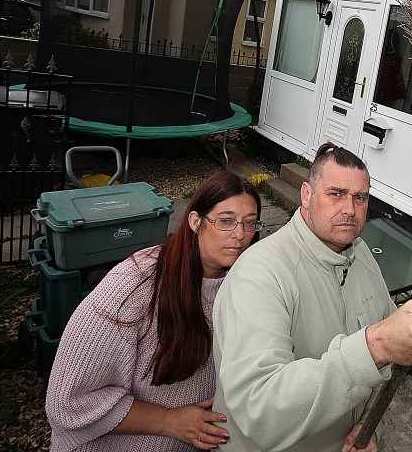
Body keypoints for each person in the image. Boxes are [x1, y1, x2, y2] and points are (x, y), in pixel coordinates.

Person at [213, 143, 412, 452]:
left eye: (360, 197)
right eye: (336, 193)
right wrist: (376, 346)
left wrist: (371, 425)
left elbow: (386, 360)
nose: (350, 209)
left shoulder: (361, 254)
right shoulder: (258, 275)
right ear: (307, 195)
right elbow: (260, 412)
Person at [46, 171, 263, 451]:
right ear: (196, 222)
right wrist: (168, 421)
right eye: (225, 221)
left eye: (250, 223)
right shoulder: (136, 283)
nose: (240, 235)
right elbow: (67, 402)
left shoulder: (247, 281)